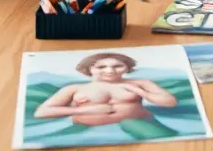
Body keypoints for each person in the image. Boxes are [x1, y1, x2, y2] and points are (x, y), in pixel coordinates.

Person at [33, 52, 178, 128]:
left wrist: (141, 92)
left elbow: (170, 103)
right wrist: (83, 111)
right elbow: (41, 112)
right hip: (86, 131)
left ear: (127, 67)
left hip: (140, 125)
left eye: (117, 66)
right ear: (89, 69)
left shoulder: (141, 83)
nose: (110, 70)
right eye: (101, 67)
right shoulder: (75, 88)